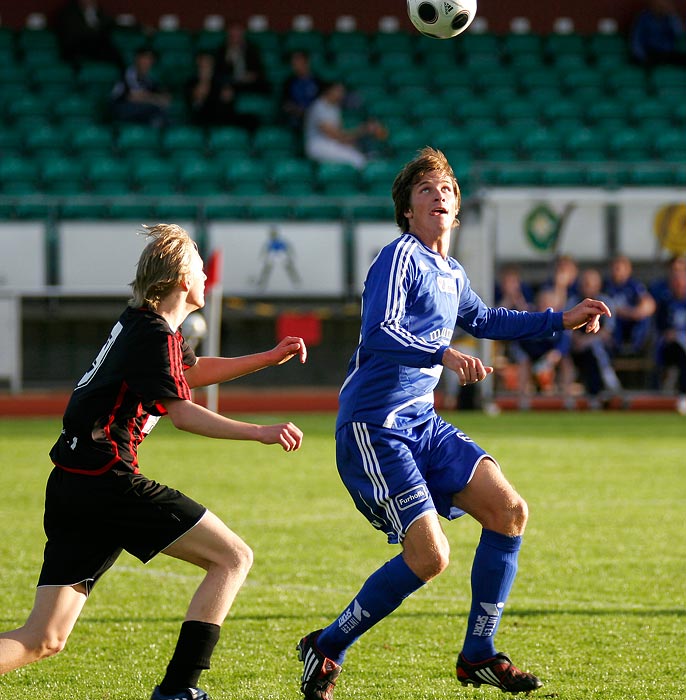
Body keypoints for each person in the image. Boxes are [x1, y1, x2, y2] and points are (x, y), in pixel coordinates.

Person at [296, 147, 611, 699]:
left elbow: (486, 318)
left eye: (446, 188)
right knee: (430, 558)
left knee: (509, 511)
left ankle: (478, 654)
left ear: (457, 209)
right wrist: (442, 354)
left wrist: (560, 318)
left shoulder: (451, 271)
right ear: (408, 211)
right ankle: (328, 645)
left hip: (421, 422)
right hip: (376, 424)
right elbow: (379, 333)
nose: (438, 194)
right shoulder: (399, 258)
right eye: (425, 189)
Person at [0, 223, 307, 700]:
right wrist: (260, 432)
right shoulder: (153, 335)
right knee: (232, 558)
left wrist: (266, 358)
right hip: (107, 482)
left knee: (43, 638)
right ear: (184, 278)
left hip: (72, 484)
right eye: (201, 268)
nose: (207, 277)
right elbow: (183, 414)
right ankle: (179, 689)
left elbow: (190, 371)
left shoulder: (141, 325)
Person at [509, 288, 574, 408]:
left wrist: (555, 354)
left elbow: (564, 343)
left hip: (550, 355)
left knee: (566, 363)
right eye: (543, 302)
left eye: (548, 302)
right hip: (530, 353)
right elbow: (520, 341)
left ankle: (567, 398)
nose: (545, 305)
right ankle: (523, 400)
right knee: (523, 362)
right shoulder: (530, 317)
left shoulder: (560, 319)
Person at [569, 267, 623, 409]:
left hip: (601, 346)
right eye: (584, 283)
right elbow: (566, 325)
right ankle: (608, 388)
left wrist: (587, 341)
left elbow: (608, 331)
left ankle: (602, 390)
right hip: (577, 348)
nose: (586, 286)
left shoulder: (605, 302)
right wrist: (578, 340)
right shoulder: (573, 301)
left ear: (598, 284)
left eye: (590, 283)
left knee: (595, 350)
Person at [303, 81, 387, 170]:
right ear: (329, 91)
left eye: (342, 91)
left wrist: (352, 142)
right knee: (358, 160)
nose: (341, 94)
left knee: (363, 156)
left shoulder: (334, 108)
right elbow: (336, 135)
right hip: (318, 145)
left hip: (331, 143)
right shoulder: (319, 107)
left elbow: (340, 133)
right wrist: (363, 130)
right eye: (338, 91)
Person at [186, 51, 258, 131]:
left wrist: (229, 98)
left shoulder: (221, 82)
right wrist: (201, 89)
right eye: (202, 65)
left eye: (208, 64)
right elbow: (194, 108)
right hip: (203, 121)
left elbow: (229, 104)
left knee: (251, 120)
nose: (205, 68)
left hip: (222, 118)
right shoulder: (191, 84)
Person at [603, 255, 656, 356]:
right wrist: (621, 312)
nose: (616, 272)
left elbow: (647, 305)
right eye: (614, 268)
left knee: (644, 320)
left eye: (619, 269)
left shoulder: (634, 285)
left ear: (628, 270)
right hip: (615, 320)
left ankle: (636, 348)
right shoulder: (606, 285)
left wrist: (632, 312)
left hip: (631, 320)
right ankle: (616, 349)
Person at [110, 46, 172, 128]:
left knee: (159, 113)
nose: (147, 62)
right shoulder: (128, 74)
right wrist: (155, 100)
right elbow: (134, 97)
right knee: (155, 109)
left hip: (140, 110)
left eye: (150, 59)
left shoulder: (149, 79)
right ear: (137, 59)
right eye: (144, 58)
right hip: (120, 108)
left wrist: (150, 98)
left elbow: (166, 100)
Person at [654, 265, 686, 414]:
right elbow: (660, 326)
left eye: (682, 281)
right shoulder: (665, 302)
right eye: (676, 281)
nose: (679, 285)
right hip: (669, 344)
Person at [54, 0, 123, 68]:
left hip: (96, 47)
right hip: (76, 47)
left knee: (113, 51)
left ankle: (125, 75)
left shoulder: (98, 10)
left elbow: (108, 25)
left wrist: (93, 14)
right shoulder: (68, 12)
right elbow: (73, 33)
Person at [630, 0, 686, 66]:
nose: (660, 7)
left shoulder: (671, 18)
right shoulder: (644, 18)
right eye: (658, 4)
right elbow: (636, 40)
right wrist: (641, 56)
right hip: (651, 52)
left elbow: (679, 33)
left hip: (669, 52)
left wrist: (672, 16)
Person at [281, 50, 323, 131]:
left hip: (315, 118)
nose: (296, 66)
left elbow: (322, 103)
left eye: (298, 62)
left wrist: (308, 112)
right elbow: (285, 104)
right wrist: (298, 110)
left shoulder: (318, 81)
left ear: (307, 62)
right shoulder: (288, 82)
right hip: (295, 118)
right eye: (293, 64)